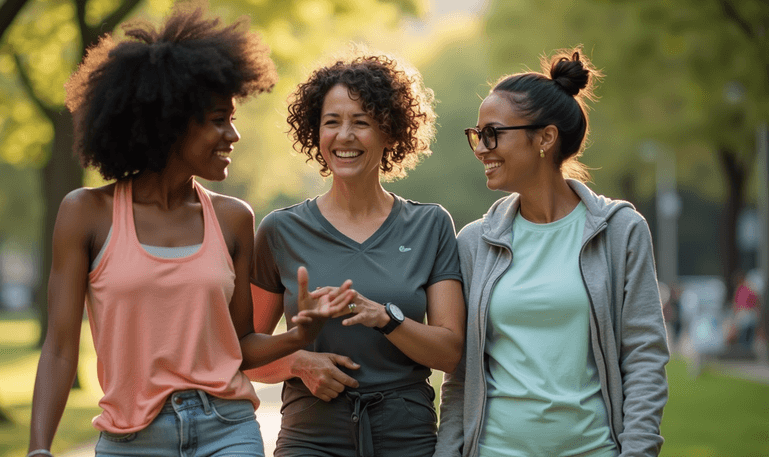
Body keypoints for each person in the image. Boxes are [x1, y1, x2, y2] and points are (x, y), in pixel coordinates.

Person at [27, 5, 353, 457]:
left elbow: (239, 346)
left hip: (227, 429)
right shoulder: (85, 213)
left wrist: (298, 337)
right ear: (168, 123)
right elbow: (61, 349)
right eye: (219, 119)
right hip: (130, 439)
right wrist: (39, 448)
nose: (233, 134)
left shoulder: (233, 217)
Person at [435, 48, 669, 457]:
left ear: (544, 137)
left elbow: (645, 357)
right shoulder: (474, 242)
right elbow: (462, 375)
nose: (480, 148)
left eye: (493, 134)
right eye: (477, 134)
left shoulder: (621, 231)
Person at [247, 51, 466, 457]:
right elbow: (244, 353)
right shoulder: (280, 230)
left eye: (361, 122)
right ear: (316, 133)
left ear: (390, 133)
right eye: (332, 122)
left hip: (406, 435)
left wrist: (386, 318)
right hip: (310, 436)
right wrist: (299, 362)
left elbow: (451, 353)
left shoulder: (431, 225)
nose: (344, 135)